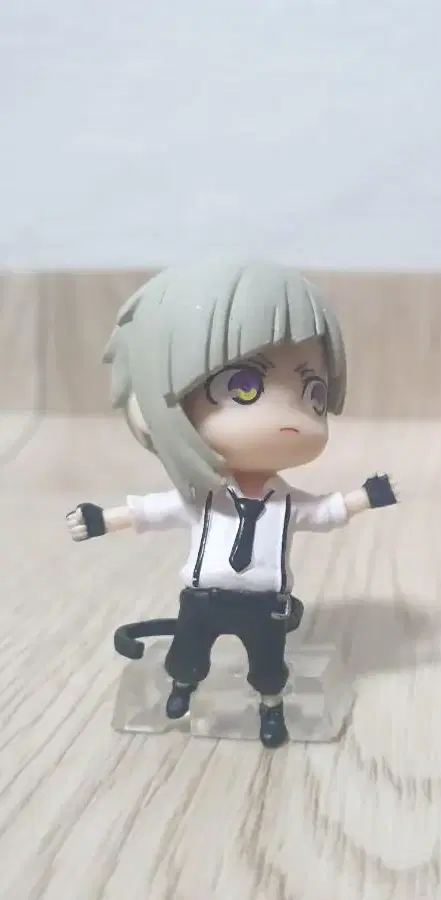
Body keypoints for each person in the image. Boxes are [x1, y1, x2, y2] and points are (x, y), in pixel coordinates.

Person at [66, 263, 398, 748]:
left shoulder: (286, 502)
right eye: (244, 387)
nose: (291, 418)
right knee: (188, 653)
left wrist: (364, 498)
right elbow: (150, 512)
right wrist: (101, 520)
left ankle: (270, 710)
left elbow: (325, 513)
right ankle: (181, 689)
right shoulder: (203, 498)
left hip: (265, 604)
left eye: (314, 395)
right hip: (204, 598)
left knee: (268, 666)